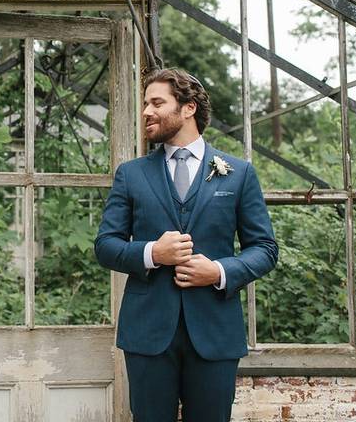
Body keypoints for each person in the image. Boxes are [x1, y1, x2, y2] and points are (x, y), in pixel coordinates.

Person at [94, 67, 278, 422]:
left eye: (156, 102)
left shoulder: (238, 173)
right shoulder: (131, 174)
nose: (146, 111)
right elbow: (106, 245)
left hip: (215, 330)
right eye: (145, 103)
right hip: (147, 333)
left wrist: (220, 271)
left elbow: (265, 248)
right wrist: (151, 253)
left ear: (188, 108)